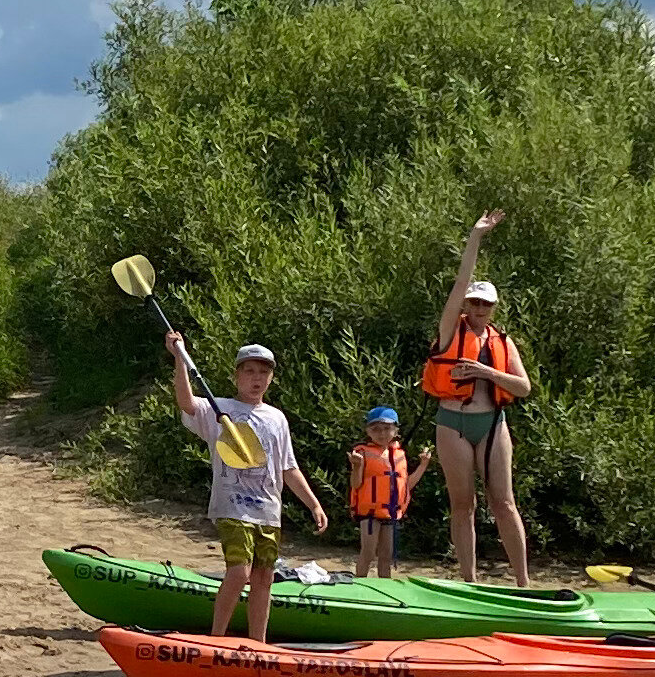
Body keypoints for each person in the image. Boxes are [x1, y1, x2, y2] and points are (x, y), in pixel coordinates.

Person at [166, 335, 333, 638]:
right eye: (249, 371)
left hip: (268, 510)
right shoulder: (219, 409)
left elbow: (288, 467)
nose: (257, 379)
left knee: (264, 578)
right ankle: (216, 637)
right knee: (239, 573)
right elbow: (186, 402)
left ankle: (259, 642)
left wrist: (313, 503)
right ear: (237, 376)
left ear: (271, 378)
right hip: (232, 505)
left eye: (263, 372)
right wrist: (180, 357)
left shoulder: (277, 419)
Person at [422, 211, 535, 584]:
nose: (478, 308)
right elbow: (459, 282)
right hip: (452, 421)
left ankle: (523, 581)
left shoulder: (503, 342)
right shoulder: (450, 331)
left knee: (504, 502)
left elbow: (523, 387)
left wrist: (485, 372)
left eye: (485, 304)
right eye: (474, 302)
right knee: (462, 504)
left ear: (493, 309)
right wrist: (476, 236)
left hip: (491, 422)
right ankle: (469, 579)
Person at [345, 402, 421, 577]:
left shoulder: (399, 455)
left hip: (390, 513)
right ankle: (359, 585)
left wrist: (423, 465)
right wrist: (356, 467)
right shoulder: (362, 453)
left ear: (395, 431)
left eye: (387, 428)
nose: (381, 433)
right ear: (368, 431)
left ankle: (385, 589)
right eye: (376, 429)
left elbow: (406, 485)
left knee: (386, 556)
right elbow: (356, 484)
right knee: (368, 553)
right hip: (370, 514)